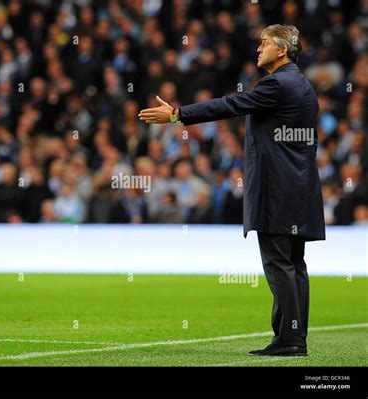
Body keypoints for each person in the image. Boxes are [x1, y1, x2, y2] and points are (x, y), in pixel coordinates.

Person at [138, 24, 325, 357]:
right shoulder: (303, 85)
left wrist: (179, 115)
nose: (258, 49)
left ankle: (291, 340)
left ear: (282, 50)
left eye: (264, 43)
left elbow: (231, 104)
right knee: (294, 264)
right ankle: (291, 337)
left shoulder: (278, 84)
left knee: (280, 263)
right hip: (298, 187)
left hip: (277, 189)